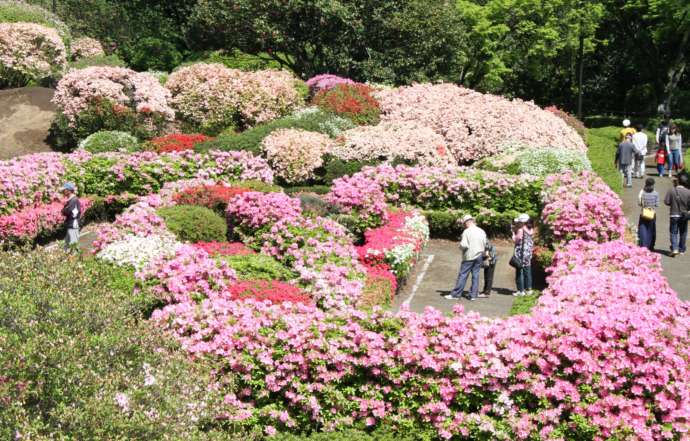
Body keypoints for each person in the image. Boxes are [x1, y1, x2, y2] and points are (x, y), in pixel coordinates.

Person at [445, 214, 487, 301]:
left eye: (464, 223)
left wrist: (460, 247)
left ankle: (456, 294)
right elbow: (485, 244)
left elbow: (464, 245)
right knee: (476, 275)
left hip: (469, 256)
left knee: (463, 275)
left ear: (467, 222)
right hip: (479, 255)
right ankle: (473, 295)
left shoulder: (467, 232)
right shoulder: (481, 231)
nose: (464, 225)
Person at [663, 174, 690, 256]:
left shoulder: (671, 190)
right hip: (684, 215)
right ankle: (682, 249)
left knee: (673, 232)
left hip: (674, 214)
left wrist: (673, 203)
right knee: (683, 232)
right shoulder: (688, 192)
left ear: (678, 181)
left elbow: (666, 202)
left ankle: (674, 248)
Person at [512, 213, 534, 297]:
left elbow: (516, 240)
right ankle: (529, 289)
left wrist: (513, 235)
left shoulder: (521, 230)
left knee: (519, 271)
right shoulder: (530, 229)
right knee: (527, 271)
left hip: (520, 254)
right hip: (528, 253)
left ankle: (521, 290)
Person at [637, 178, 659, 251]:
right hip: (652, 213)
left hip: (643, 212)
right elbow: (657, 204)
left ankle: (643, 245)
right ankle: (650, 245)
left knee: (642, 229)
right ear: (653, 184)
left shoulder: (642, 192)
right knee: (651, 229)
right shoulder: (656, 193)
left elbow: (639, 203)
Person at [61, 182, 81, 251]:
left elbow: (68, 212)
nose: (63, 191)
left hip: (73, 225)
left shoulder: (74, 200)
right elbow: (65, 211)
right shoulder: (70, 200)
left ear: (69, 190)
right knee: (68, 246)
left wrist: (65, 210)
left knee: (73, 246)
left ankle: (76, 260)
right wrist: (65, 210)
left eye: (64, 190)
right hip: (70, 224)